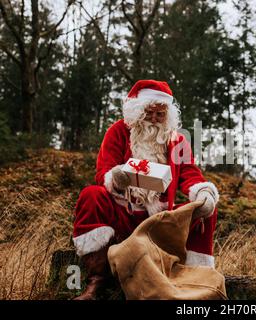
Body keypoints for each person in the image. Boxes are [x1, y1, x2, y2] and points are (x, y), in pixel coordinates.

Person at [72, 80, 219, 300]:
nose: (154, 119)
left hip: (158, 221)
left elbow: (189, 173)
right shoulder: (118, 131)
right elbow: (103, 169)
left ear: (167, 115)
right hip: (123, 215)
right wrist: (117, 177)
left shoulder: (177, 140)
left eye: (160, 114)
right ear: (138, 110)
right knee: (91, 194)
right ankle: (97, 282)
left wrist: (202, 192)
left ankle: (196, 276)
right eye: (149, 113)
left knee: (205, 210)